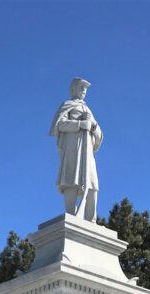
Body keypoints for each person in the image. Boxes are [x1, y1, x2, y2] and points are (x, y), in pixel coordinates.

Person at [49, 77, 103, 220]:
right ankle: (71, 216)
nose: (83, 91)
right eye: (81, 87)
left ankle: (91, 220)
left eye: (85, 88)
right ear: (73, 89)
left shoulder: (88, 110)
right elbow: (59, 126)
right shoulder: (67, 105)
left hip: (88, 153)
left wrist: (92, 125)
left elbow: (100, 136)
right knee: (71, 181)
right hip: (73, 150)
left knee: (92, 186)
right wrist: (79, 125)